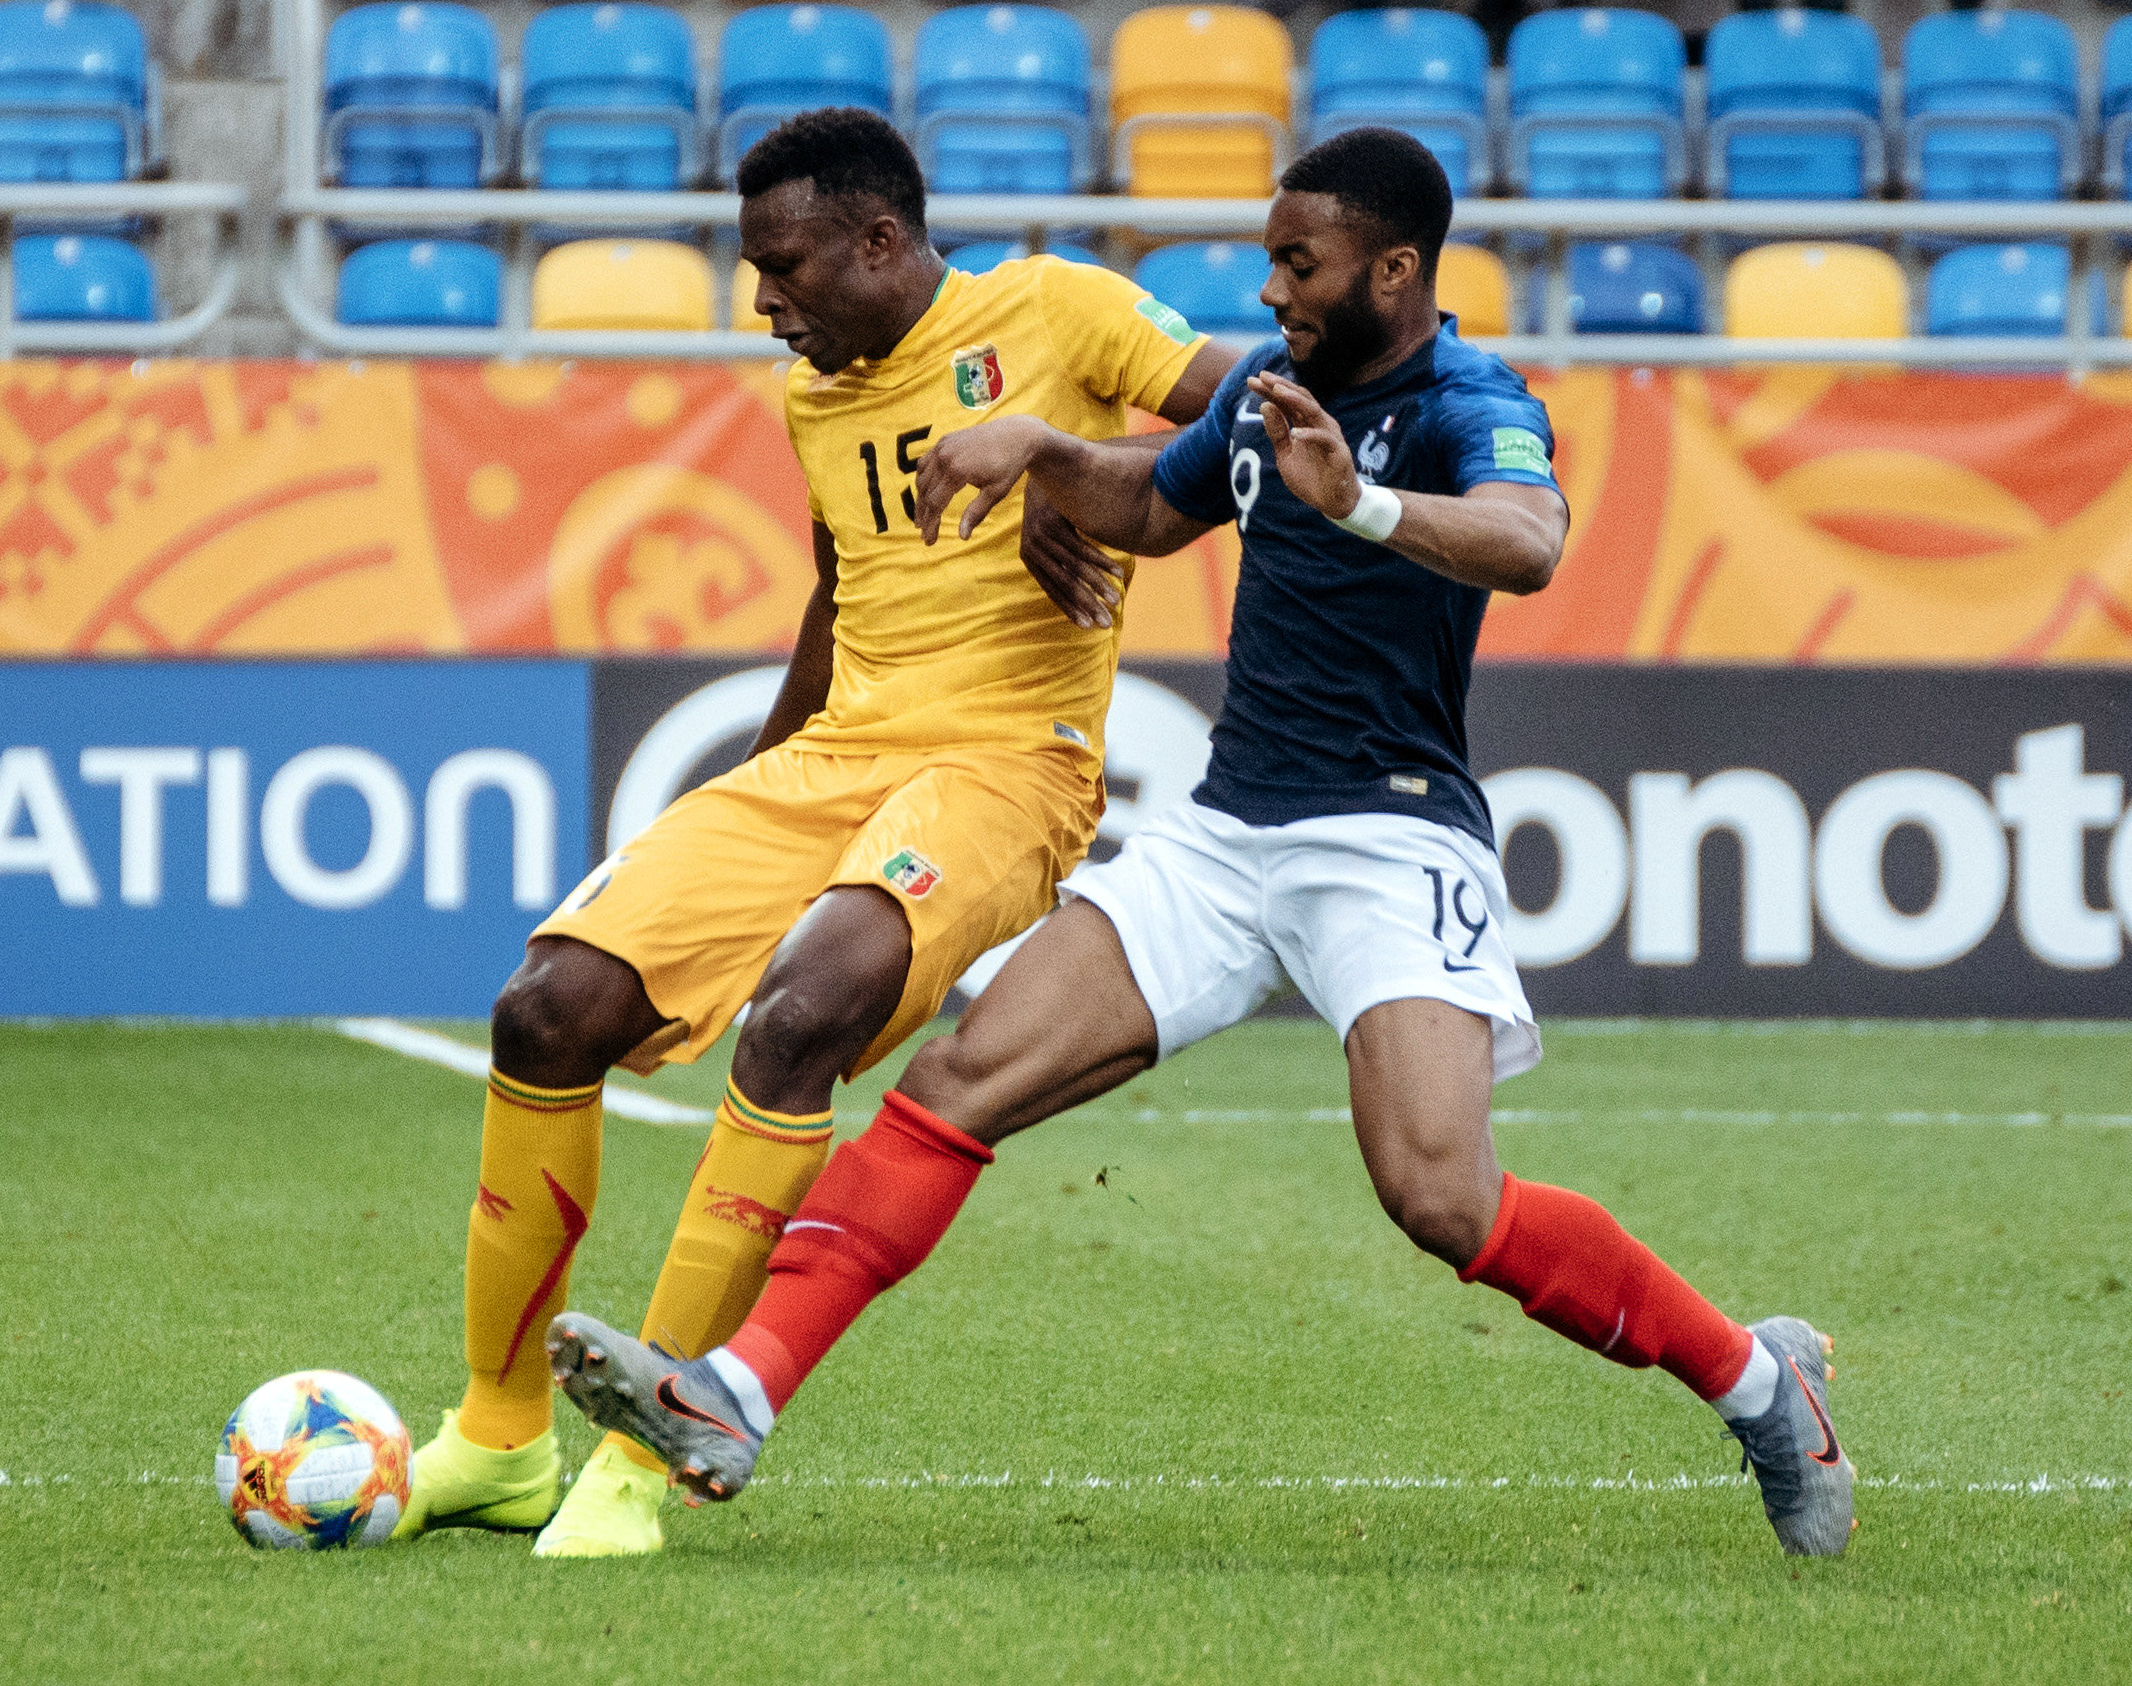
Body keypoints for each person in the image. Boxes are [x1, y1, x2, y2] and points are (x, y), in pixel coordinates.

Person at [546, 126, 1857, 1559]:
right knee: (958, 1079)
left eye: (1300, 264)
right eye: (1267, 262)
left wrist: (1353, 501)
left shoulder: (1463, 398)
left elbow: (1526, 539)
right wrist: (1046, 454)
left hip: (1389, 837)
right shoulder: (1260, 389)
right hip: (1226, 834)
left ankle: (1752, 1377)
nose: (1273, 291)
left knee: (1439, 1194)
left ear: (1396, 269)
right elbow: (1155, 509)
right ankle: (734, 1394)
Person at [392, 107, 1234, 1558]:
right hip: (837, 754)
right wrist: (757, 792)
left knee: (802, 1012)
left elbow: (1275, 402)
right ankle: (499, 1431)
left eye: (780, 268)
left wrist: (1079, 468)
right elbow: (839, 589)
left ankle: (640, 1461)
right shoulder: (814, 397)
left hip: (1009, 769)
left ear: (879, 241)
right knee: (545, 1006)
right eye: (749, 270)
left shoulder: (1053, 307)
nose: (762, 302)